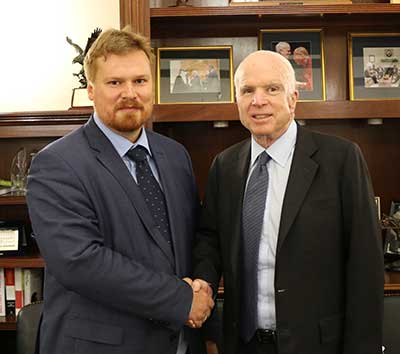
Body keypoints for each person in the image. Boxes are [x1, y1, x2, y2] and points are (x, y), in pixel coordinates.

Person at [26, 28, 215, 354]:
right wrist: (181, 300)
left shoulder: (175, 155)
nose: (130, 92)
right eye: (115, 83)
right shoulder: (56, 164)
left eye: (140, 81)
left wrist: (203, 288)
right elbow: (81, 261)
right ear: (91, 90)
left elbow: (192, 236)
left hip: (180, 342)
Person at [191, 50, 383, 354]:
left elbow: (365, 264)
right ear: (237, 101)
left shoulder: (341, 159)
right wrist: (203, 282)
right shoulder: (224, 166)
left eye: (272, 89)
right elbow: (210, 239)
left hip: (318, 344)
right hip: (244, 343)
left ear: (293, 98)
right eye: (247, 91)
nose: (258, 100)